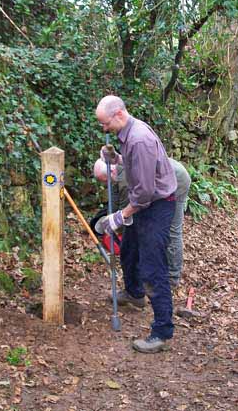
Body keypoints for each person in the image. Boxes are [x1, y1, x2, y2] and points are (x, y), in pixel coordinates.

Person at [95, 95, 177, 354]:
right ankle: (134, 294)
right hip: (145, 203)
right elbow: (139, 168)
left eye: (105, 123)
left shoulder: (139, 138)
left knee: (153, 268)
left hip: (156, 206)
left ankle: (162, 331)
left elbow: (143, 193)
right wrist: (117, 159)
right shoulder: (129, 134)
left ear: (119, 114)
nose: (104, 129)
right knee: (129, 251)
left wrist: (119, 217)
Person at [93, 157, 191, 287]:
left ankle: (172, 277)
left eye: (106, 181)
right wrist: (109, 217)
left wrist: (115, 226)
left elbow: (126, 208)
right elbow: (115, 200)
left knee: (173, 230)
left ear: (112, 171)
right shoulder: (116, 169)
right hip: (159, 179)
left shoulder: (125, 180)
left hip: (177, 180)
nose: (106, 184)